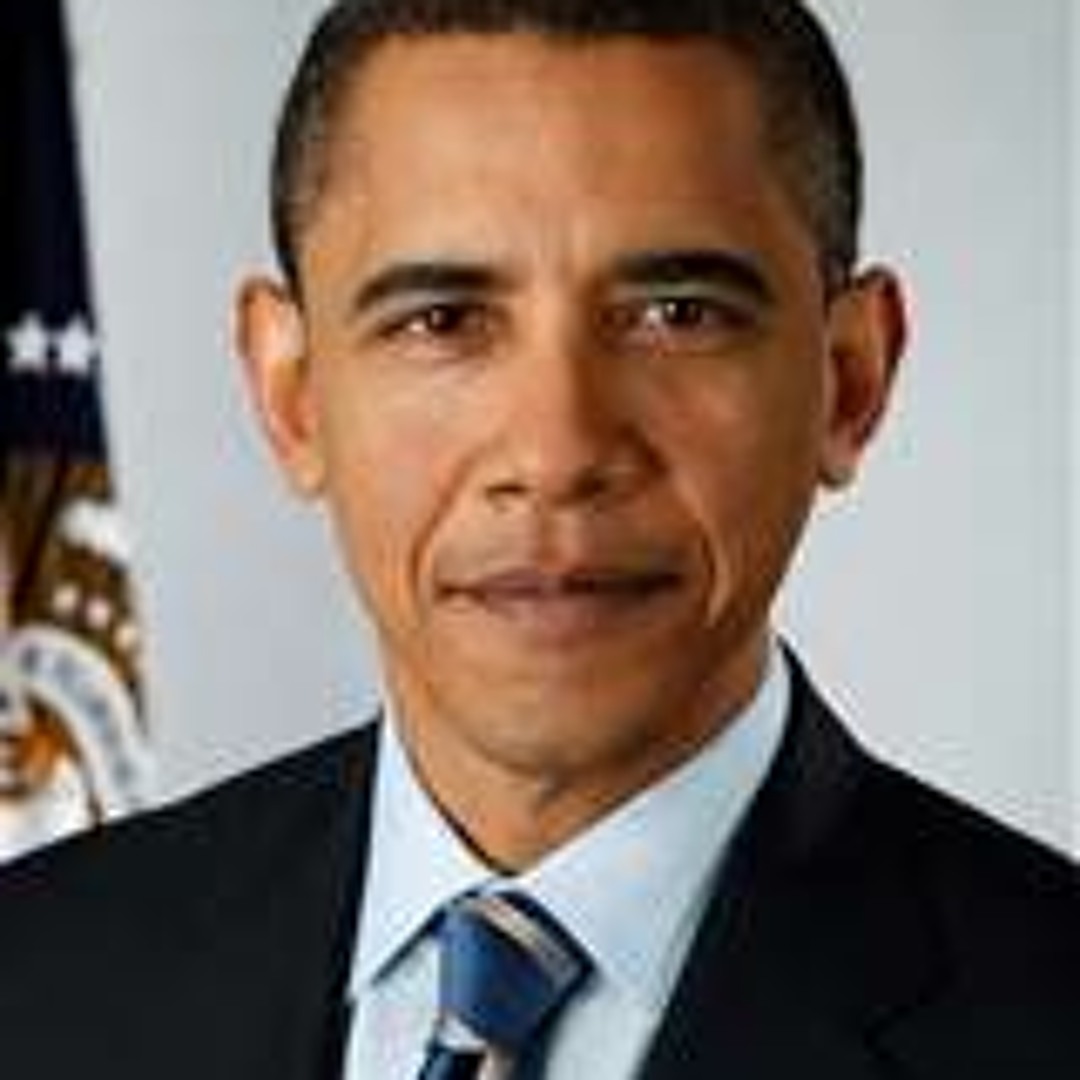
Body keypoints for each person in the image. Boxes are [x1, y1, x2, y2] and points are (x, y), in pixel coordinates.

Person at [0, 0, 1076, 1077]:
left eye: (678, 314)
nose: (558, 450)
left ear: (849, 382)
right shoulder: (36, 971)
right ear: (292, 396)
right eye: (442, 321)